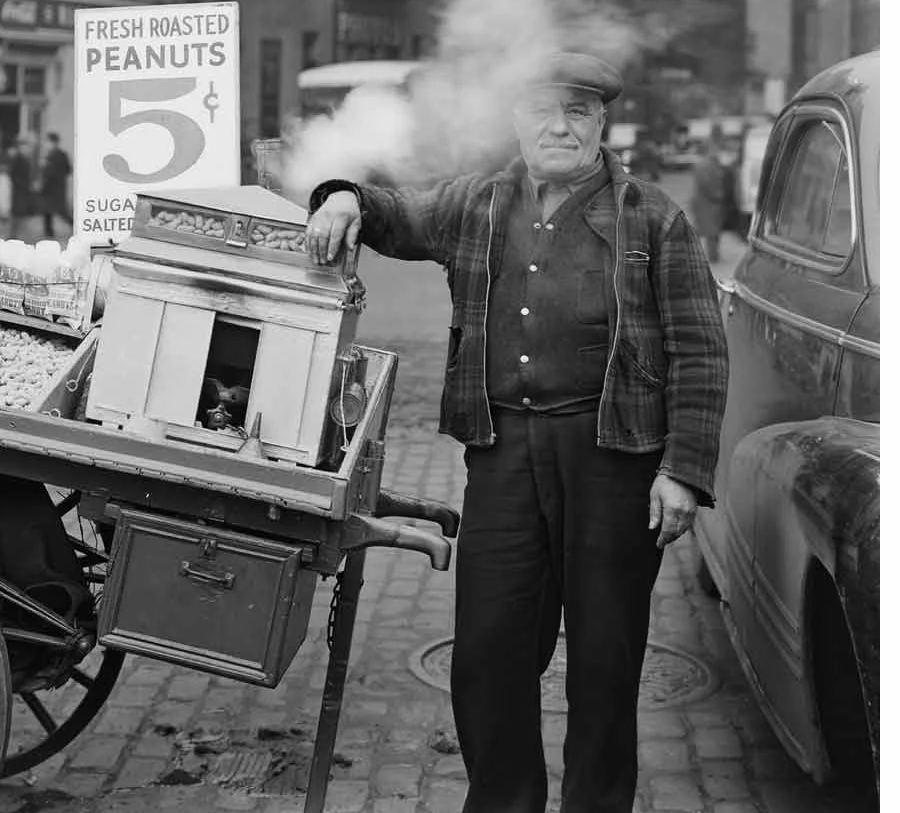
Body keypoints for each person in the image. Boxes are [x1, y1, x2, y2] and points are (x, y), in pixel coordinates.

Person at [306, 52, 728, 813]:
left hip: (614, 463)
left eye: (576, 111)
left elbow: (701, 349)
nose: (557, 126)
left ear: (602, 122)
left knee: (605, 662)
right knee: (490, 654)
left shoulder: (653, 217)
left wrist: (685, 471)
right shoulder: (477, 204)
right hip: (502, 457)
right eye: (542, 109)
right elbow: (398, 216)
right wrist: (344, 197)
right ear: (517, 118)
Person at [690, 132, 730, 263]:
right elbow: (706, 183)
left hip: (709, 203)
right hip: (707, 203)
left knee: (712, 230)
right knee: (710, 230)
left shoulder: (710, 163)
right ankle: (713, 256)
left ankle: (713, 254)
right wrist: (717, 194)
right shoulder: (704, 165)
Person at [37, 132, 73, 238]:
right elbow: (68, 169)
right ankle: (49, 232)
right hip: (57, 186)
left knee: (58, 211)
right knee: (49, 211)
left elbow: (49, 172)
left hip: (52, 187)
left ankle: (74, 226)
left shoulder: (52, 155)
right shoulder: (60, 154)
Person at [6, 135, 38, 239]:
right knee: (18, 213)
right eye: (26, 147)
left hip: (24, 190)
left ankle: (16, 235)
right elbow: (12, 174)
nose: (28, 149)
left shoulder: (26, 158)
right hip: (19, 190)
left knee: (21, 213)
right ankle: (15, 235)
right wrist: (22, 184)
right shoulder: (18, 158)